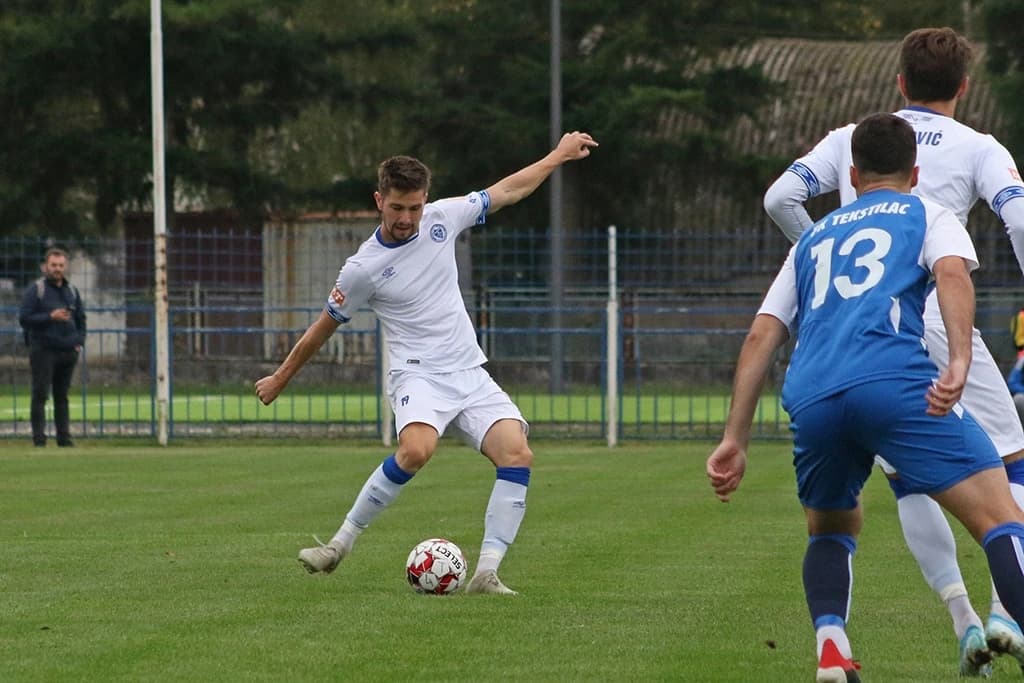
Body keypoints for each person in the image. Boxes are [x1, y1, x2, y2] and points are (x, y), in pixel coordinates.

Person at [709, 112, 1024, 683]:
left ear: (851, 174)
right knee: (1001, 513)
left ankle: (831, 648)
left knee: (832, 526)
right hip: (891, 383)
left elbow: (762, 333)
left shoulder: (811, 238)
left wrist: (735, 437)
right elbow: (952, 275)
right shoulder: (928, 211)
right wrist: (956, 360)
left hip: (811, 393)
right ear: (915, 170)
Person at [255, 131, 598, 594]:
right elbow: (323, 327)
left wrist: (557, 156)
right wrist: (280, 376)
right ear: (380, 200)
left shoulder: (443, 219)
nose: (407, 218)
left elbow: (508, 190)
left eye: (415, 207)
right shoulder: (363, 268)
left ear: (425, 201)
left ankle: (486, 572)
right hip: (417, 374)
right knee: (416, 451)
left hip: (468, 372)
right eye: (397, 208)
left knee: (517, 453)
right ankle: (339, 545)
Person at [18, 247, 86, 448]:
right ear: (45, 266)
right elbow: (25, 318)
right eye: (53, 265)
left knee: (62, 396)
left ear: (66, 267)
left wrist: (78, 342)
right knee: (40, 394)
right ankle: (39, 439)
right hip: (44, 350)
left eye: (61, 265)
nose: (57, 269)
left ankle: (64, 438)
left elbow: (81, 319)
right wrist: (50, 317)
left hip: (67, 351)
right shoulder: (36, 290)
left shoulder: (72, 291)